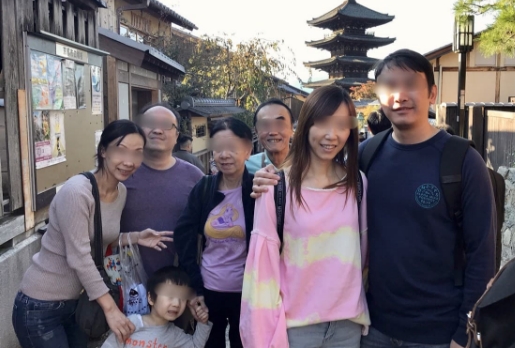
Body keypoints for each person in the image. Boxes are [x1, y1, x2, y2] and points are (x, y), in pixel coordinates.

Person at [252, 50, 496, 348]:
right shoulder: (369, 156)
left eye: (410, 84)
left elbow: (482, 253)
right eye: (389, 86)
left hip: (437, 331)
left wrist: (464, 331)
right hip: (374, 328)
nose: (400, 95)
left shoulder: (463, 161)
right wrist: (271, 178)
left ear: (432, 93)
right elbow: (322, 179)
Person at [12, 120, 174, 348]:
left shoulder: (121, 191)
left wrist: (135, 237)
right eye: (121, 150)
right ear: (103, 151)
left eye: (137, 153)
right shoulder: (77, 192)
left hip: (77, 304)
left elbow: (97, 240)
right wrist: (111, 310)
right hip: (40, 306)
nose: (129, 162)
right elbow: (78, 255)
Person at [240, 85, 369, 348]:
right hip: (295, 329)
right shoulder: (276, 186)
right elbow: (261, 271)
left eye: (342, 125)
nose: (331, 135)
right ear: (306, 124)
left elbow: (362, 253)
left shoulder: (357, 183)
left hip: (347, 327)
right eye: (322, 123)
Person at [175, 117, 256, 348]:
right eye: (219, 149)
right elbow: (184, 237)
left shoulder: (258, 190)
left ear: (248, 150)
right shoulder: (204, 189)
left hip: (248, 292)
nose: (224, 155)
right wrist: (194, 287)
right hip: (209, 289)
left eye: (232, 148)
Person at [121, 102, 204, 277]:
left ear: (176, 135)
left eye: (166, 125)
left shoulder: (195, 177)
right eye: (150, 123)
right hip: (126, 282)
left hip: (179, 285)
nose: (157, 130)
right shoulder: (120, 173)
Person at [101, 266, 212, 348]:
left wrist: (202, 322)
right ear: (151, 298)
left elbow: (195, 346)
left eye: (182, 298)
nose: (176, 303)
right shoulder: (132, 323)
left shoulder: (174, 334)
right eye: (170, 295)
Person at [245, 98, 294, 173]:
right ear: (256, 131)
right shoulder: (245, 167)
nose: (273, 132)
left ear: (291, 128)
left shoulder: (308, 164)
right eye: (265, 125)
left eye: (279, 124)